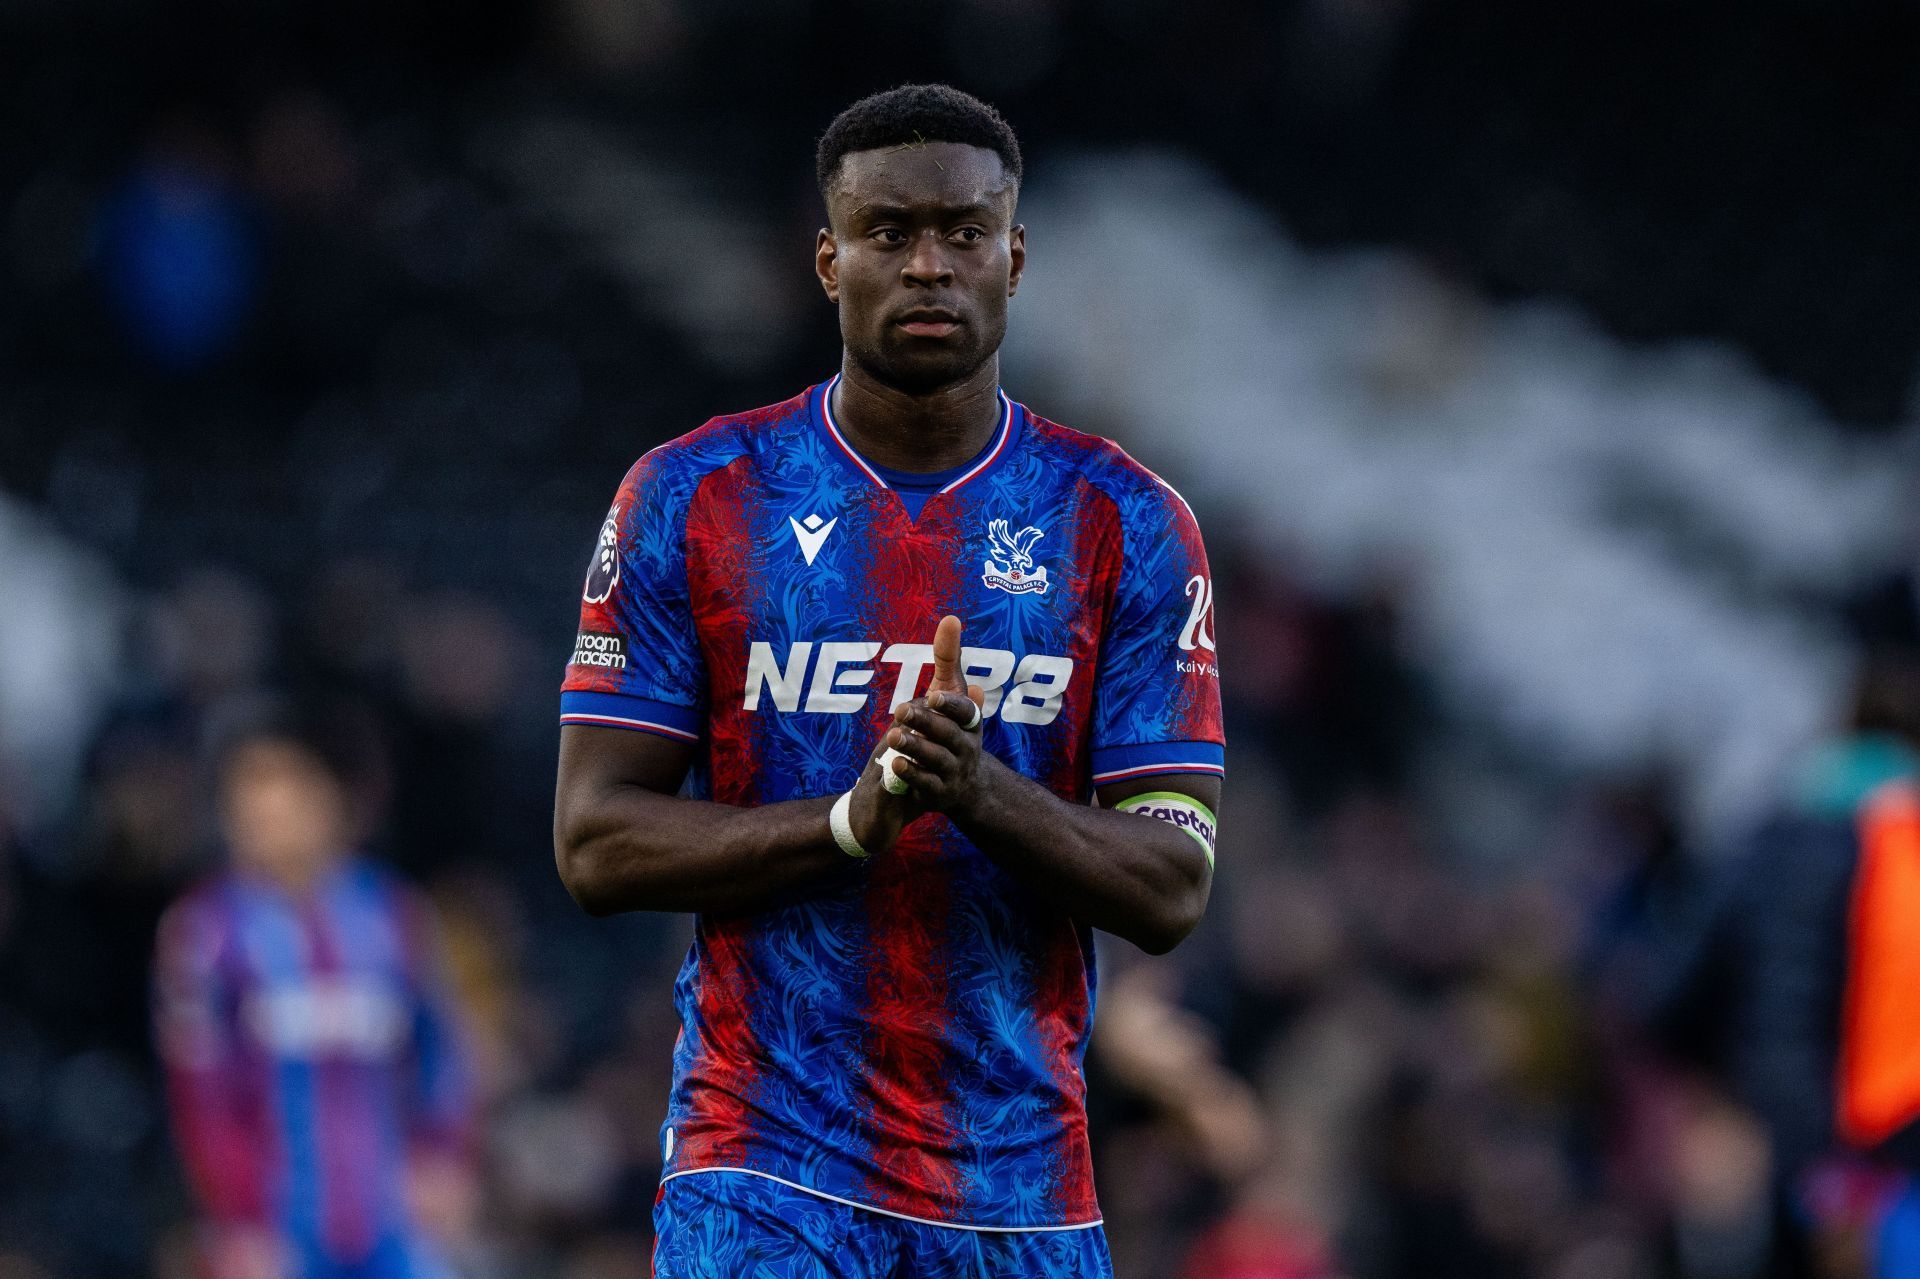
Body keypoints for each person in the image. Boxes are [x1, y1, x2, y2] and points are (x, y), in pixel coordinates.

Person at [552, 84, 1224, 1276]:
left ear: (1014, 260)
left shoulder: (1125, 521)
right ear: (828, 259)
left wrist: (976, 791)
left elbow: (1171, 883)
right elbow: (596, 843)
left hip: (1019, 1194)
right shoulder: (693, 496)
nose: (928, 265)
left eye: (964, 234)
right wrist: (852, 821)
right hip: (759, 1173)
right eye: (889, 233)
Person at [153, 706, 473, 1279]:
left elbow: (441, 1049)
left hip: (394, 1228)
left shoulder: (394, 917)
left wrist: (444, 1155)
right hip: (272, 1240)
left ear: (334, 799)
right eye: (248, 786)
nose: (265, 806)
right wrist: (238, 1220)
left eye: (285, 781)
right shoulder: (204, 934)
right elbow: (202, 1095)